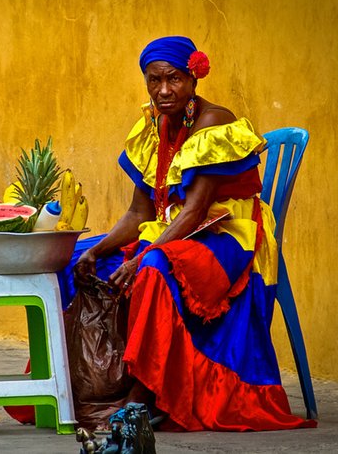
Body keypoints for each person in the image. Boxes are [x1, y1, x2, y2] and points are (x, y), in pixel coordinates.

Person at [60, 36, 316, 431]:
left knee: (154, 267)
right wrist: (101, 249)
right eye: (154, 80)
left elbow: (196, 210)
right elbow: (139, 212)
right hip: (176, 226)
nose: (164, 90)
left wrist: (142, 257)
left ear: (194, 77)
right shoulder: (154, 124)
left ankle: (144, 393)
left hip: (231, 231)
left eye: (174, 79)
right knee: (77, 258)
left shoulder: (214, 122)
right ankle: (77, 386)